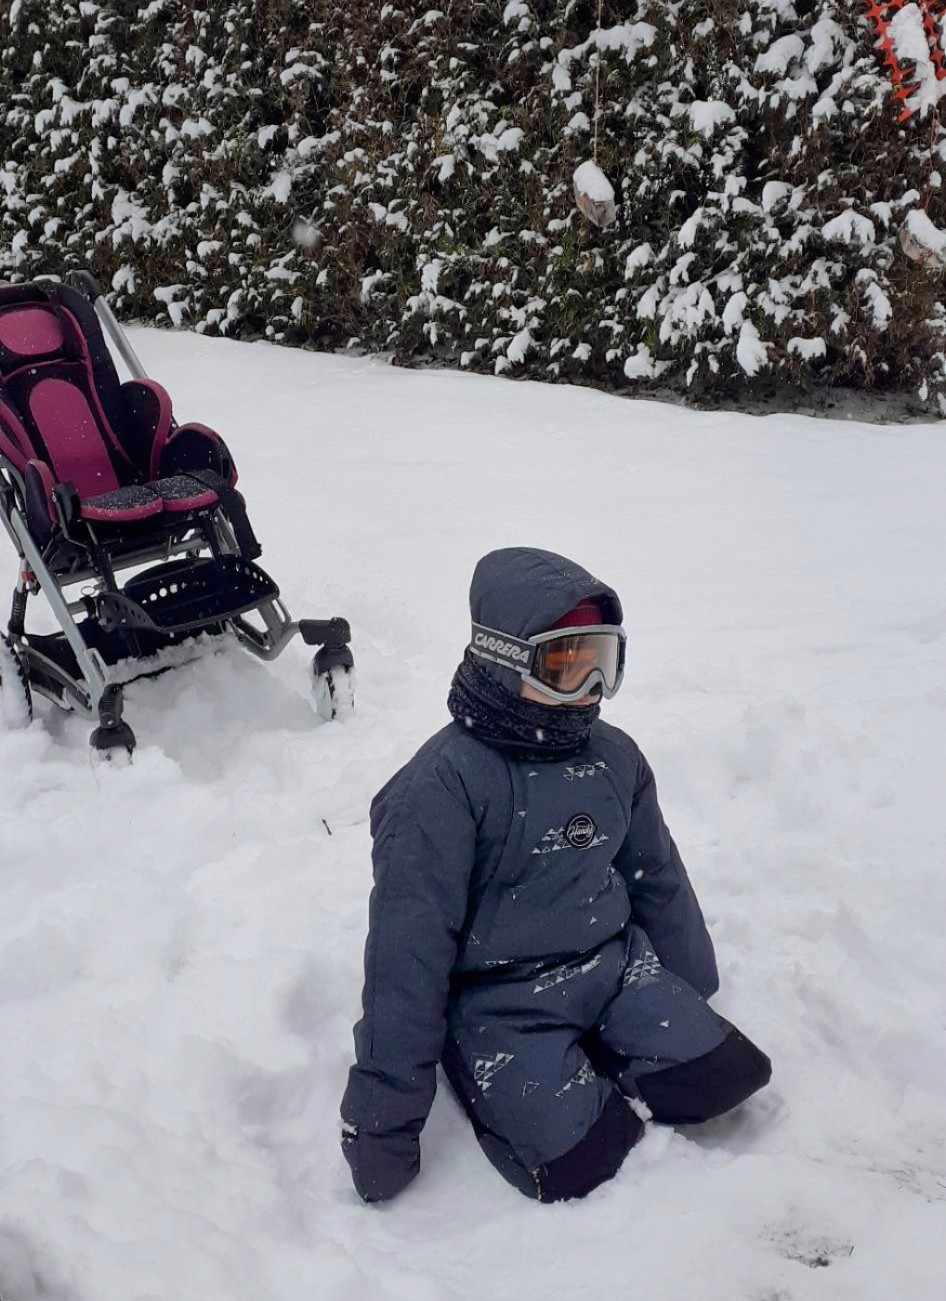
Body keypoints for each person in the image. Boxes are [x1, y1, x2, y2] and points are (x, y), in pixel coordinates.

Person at [340, 547, 771, 1203]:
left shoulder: (614, 758)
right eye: (568, 665)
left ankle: (620, 1039)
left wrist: (691, 990)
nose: (591, 689)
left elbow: (657, 877)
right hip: (501, 1001)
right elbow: (407, 952)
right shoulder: (440, 789)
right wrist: (385, 1125)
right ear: (507, 658)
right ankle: (494, 1066)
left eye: (604, 663)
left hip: (614, 965)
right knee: (586, 1158)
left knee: (722, 1078)